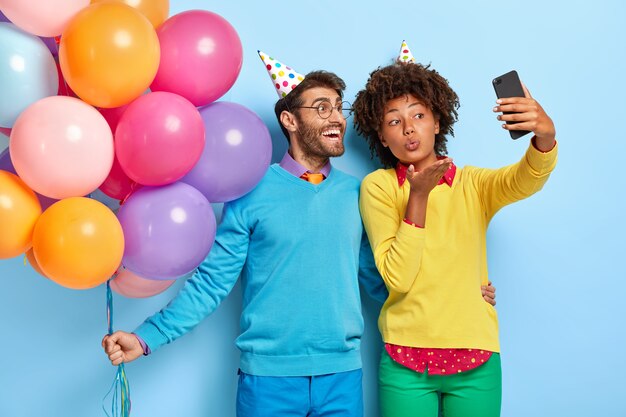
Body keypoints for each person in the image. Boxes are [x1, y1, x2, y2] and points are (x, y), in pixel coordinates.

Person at [102, 51, 496, 417]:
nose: (337, 119)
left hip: (342, 378)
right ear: (290, 121)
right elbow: (211, 283)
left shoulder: (356, 194)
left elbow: (384, 281)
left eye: (338, 109)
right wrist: (147, 336)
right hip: (267, 380)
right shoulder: (249, 193)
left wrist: (457, 291)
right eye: (321, 108)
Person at [351, 41, 557, 417]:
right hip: (405, 356)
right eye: (394, 121)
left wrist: (544, 135)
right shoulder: (378, 187)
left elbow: (526, 179)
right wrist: (418, 196)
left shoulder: (473, 185)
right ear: (382, 137)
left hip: (475, 352)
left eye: (418, 115)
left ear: (437, 121)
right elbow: (397, 277)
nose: (409, 128)